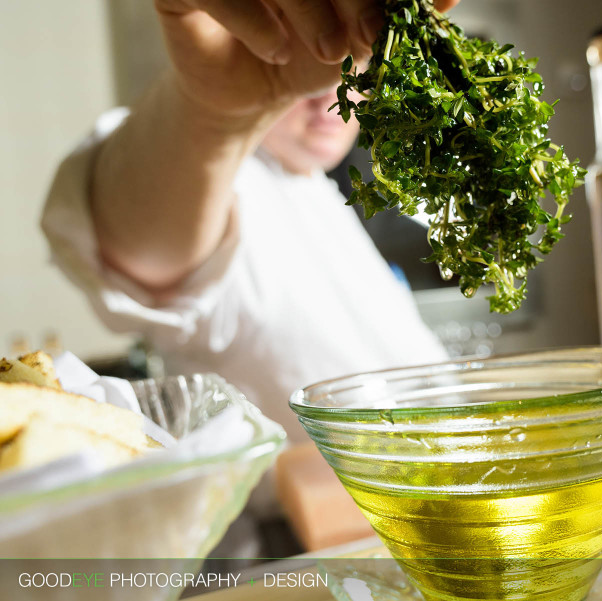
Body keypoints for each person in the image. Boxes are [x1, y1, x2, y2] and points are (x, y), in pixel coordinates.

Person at [41, 0, 459, 552]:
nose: (326, 95)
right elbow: (140, 249)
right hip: (302, 548)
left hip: (437, 523)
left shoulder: (320, 193)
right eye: (312, 64)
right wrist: (210, 113)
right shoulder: (226, 177)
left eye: (351, 69)